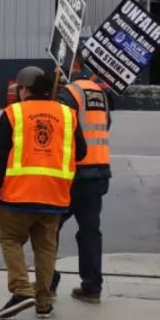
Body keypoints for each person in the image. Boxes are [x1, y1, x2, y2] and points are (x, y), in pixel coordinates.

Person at [0, 66, 87, 320]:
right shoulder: (68, 115)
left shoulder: (13, 113)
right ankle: (43, 303)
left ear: (25, 90)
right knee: (45, 248)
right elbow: (81, 152)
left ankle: (21, 289)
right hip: (54, 196)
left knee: (11, 241)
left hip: (18, 194)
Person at [51, 58, 112, 303]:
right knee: (90, 231)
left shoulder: (69, 93)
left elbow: (61, 128)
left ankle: (48, 282)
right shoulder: (100, 93)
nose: (56, 69)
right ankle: (92, 287)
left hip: (72, 173)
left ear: (72, 67)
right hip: (99, 171)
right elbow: (105, 125)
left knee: (49, 229)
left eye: (59, 65)